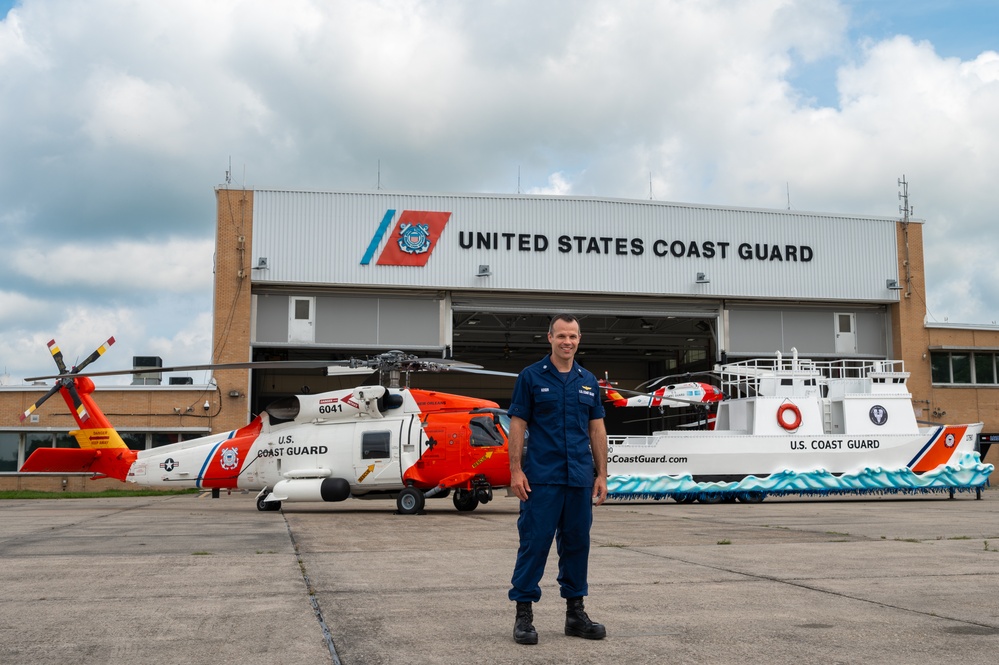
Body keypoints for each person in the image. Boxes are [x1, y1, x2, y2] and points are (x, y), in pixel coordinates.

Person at [507, 313, 608, 645]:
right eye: (561, 336)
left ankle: (575, 614)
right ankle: (523, 616)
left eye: (573, 336)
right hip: (542, 479)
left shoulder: (588, 381)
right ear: (549, 337)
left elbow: (597, 430)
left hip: (579, 477)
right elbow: (518, 426)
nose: (568, 342)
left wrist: (602, 474)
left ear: (580, 339)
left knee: (578, 545)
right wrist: (516, 470)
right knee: (534, 544)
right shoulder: (531, 377)